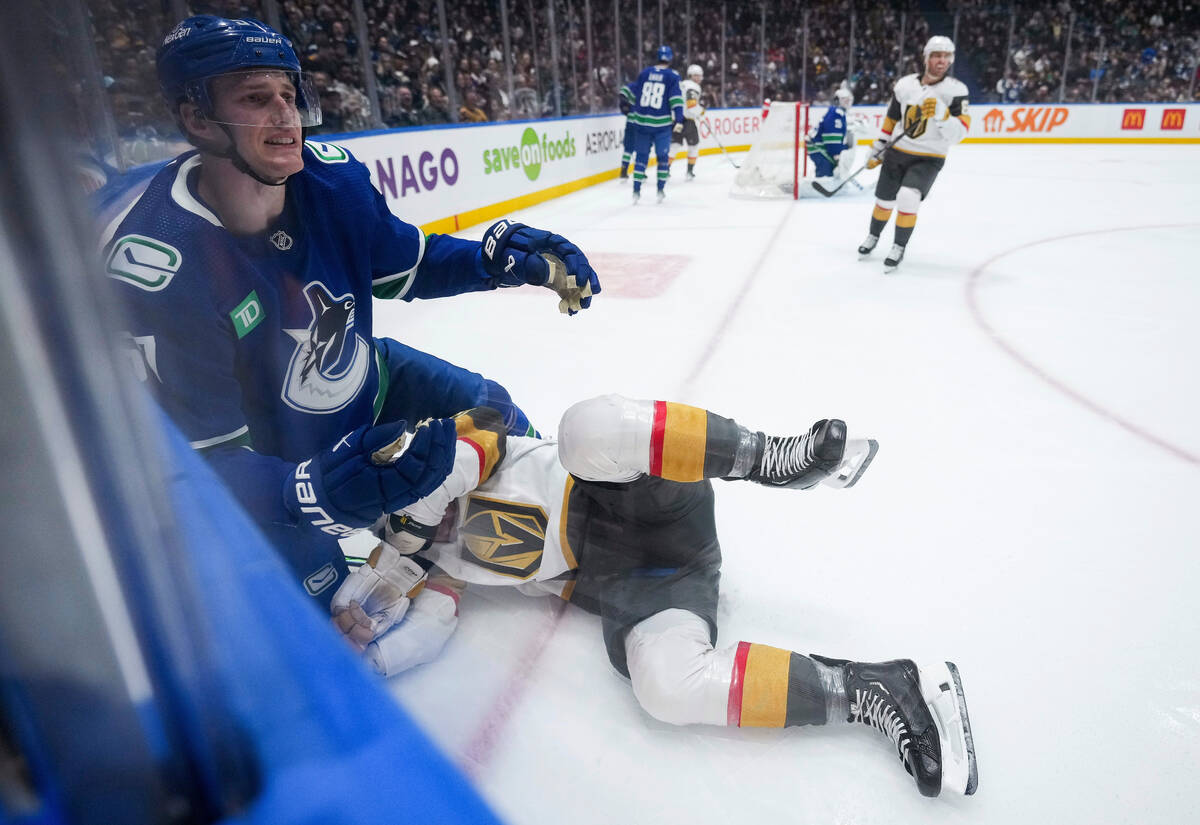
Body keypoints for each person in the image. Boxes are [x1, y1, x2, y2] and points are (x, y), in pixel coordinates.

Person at [104, 15, 601, 608]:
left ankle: (573, 528)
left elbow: (408, 265)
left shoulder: (335, 180)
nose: (286, 116)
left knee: (495, 412)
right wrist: (304, 492)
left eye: (289, 94)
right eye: (256, 99)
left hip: (368, 376)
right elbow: (205, 464)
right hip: (276, 454)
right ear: (197, 119)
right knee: (338, 613)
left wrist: (497, 262)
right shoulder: (162, 268)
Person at [332, 396, 978, 799]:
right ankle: (870, 687)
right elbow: (432, 624)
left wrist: (417, 507)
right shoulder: (413, 560)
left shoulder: (439, 449)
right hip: (643, 585)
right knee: (664, 688)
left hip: (642, 496)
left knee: (585, 426)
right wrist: (363, 654)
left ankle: (769, 456)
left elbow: (483, 430)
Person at [857, 35, 969, 271]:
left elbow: (959, 134)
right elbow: (892, 119)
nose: (941, 61)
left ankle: (898, 246)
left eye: (946, 56)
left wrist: (942, 114)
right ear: (926, 57)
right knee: (883, 200)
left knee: (908, 196)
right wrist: (877, 148)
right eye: (936, 55)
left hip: (929, 157)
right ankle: (873, 236)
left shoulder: (956, 91)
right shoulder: (905, 84)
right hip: (897, 151)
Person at [620, 45, 684, 204]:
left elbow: (628, 90)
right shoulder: (672, 76)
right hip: (661, 124)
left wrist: (625, 103)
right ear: (670, 58)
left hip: (641, 123)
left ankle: (636, 191)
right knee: (663, 158)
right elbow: (676, 100)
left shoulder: (645, 72)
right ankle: (660, 190)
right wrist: (679, 119)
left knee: (641, 157)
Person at [807, 86, 853, 180]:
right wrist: (836, 153)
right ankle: (821, 182)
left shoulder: (836, 112)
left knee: (830, 170)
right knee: (825, 173)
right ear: (837, 101)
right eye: (844, 100)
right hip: (818, 147)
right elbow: (831, 136)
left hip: (820, 146)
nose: (847, 103)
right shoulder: (836, 113)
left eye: (849, 100)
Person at [673, 64, 705, 180]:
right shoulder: (694, 87)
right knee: (693, 146)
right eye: (696, 75)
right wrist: (700, 112)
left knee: (674, 146)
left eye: (699, 76)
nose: (698, 78)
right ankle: (689, 172)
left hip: (676, 119)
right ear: (691, 75)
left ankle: (665, 171)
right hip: (688, 121)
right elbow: (691, 104)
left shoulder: (682, 84)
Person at [617, 85, 635, 181]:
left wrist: (624, 105)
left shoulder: (633, 86)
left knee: (628, 148)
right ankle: (640, 172)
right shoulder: (646, 86)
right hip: (642, 123)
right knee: (643, 149)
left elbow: (622, 92)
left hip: (631, 122)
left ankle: (624, 171)